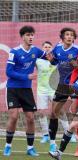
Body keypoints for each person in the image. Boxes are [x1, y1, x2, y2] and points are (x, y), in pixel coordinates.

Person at [3, 25, 49, 156]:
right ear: (22, 37)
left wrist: (57, 57)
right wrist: (26, 76)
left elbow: (49, 57)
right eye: (28, 35)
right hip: (13, 89)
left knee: (30, 118)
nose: (31, 37)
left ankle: (30, 148)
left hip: (26, 90)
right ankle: (8, 146)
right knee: (14, 117)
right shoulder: (14, 51)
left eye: (32, 35)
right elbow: (8, 72)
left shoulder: (36, 51)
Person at [47, 27, 78, 152]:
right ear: (62, 37)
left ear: (74, 37)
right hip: (62, 85)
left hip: (74, 85)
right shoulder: (57, 48)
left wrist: (77, 65)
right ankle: (52, 143)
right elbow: (55, 62)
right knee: (53, 113)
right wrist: (51, 60)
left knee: (77, 115)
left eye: (72, 35)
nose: (69, 37)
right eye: (67, 34)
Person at [36, 41, 76, 144]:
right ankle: (45, 135)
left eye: (49, 47)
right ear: (42, 48)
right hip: (41, 90)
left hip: (54, 89)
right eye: (45, 47)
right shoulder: (38, 60)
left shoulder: (56, 60)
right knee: (41, 113)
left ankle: (69, 134)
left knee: (60, 111)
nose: (47, 48)